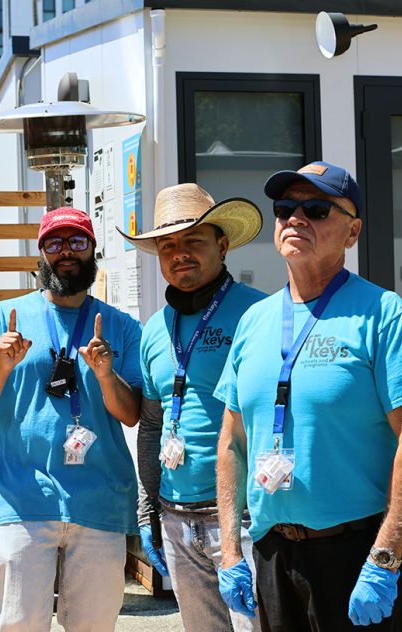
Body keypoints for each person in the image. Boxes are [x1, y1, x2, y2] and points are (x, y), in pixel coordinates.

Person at [214, 161, 402, 630]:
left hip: (355, 552)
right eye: (284, 209)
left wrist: (384, 559)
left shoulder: (382, 314)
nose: (295, 219)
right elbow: (231, 442)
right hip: (273, 552)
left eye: (316, 209)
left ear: (352, 232)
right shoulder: (254, 322)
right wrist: (231, 550)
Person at [0, 207, 142, 632]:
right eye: (54, 243)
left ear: (93, 250)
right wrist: (1, 368)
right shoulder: (1, 320)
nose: (66, 253)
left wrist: (105, 374)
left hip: (99, 499)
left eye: (77, 242)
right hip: (22, 497)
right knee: (20, 623)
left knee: (93, 626)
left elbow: (130, 414)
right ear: (40, 254)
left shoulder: (121, 327)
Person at [118, 183, 266, 632]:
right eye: (168, 246)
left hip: (242, 519)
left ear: (222, 245)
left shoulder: (258, 315)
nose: (179, 254)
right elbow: (151, 423)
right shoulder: (153, 330)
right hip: (176, 518)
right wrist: (148, 510)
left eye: (192, 241)